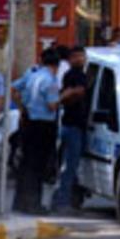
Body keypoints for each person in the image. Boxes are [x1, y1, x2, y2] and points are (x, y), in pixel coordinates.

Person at [12, 48, 62, 215]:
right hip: (44, 125)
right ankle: (34, 204)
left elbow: (14, 88)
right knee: (38, 166)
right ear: (56, 66)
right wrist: (65, 96)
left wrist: (22, 108)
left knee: (26, 164)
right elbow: (52, 105)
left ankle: (20, 202)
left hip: (29, 122)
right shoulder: (51, 81)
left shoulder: (32, 75)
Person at [51, 46, 89, 212]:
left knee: (71, 167)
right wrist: (73, 93)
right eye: (76, 56)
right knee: (69, 166)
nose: (80, 59)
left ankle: (71, 198)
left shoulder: (78, 75)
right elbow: (76, 92)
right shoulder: (74, 75)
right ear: (70, 59)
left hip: (76, 125)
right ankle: (61, 201)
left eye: (82, 56)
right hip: (72, 125)